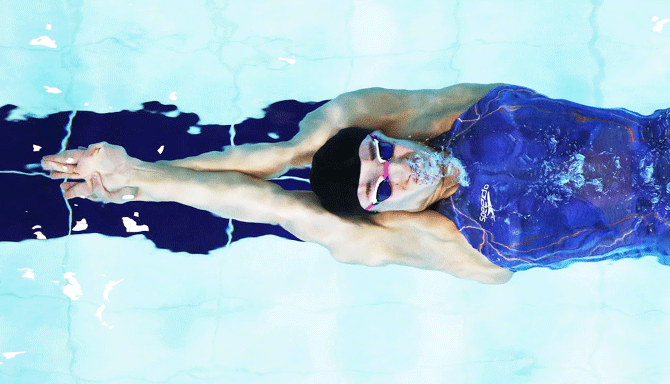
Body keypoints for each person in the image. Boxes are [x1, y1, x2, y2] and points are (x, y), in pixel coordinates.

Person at [41, 84, 670, 284]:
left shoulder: (462, 115)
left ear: (391, 133)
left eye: (381, 152)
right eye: (380, 187)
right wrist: (142, 179)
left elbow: (290, 153)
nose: (398, 169)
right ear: (382, 213)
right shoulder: (443, 236)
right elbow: (260, 198)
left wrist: (295, 148)